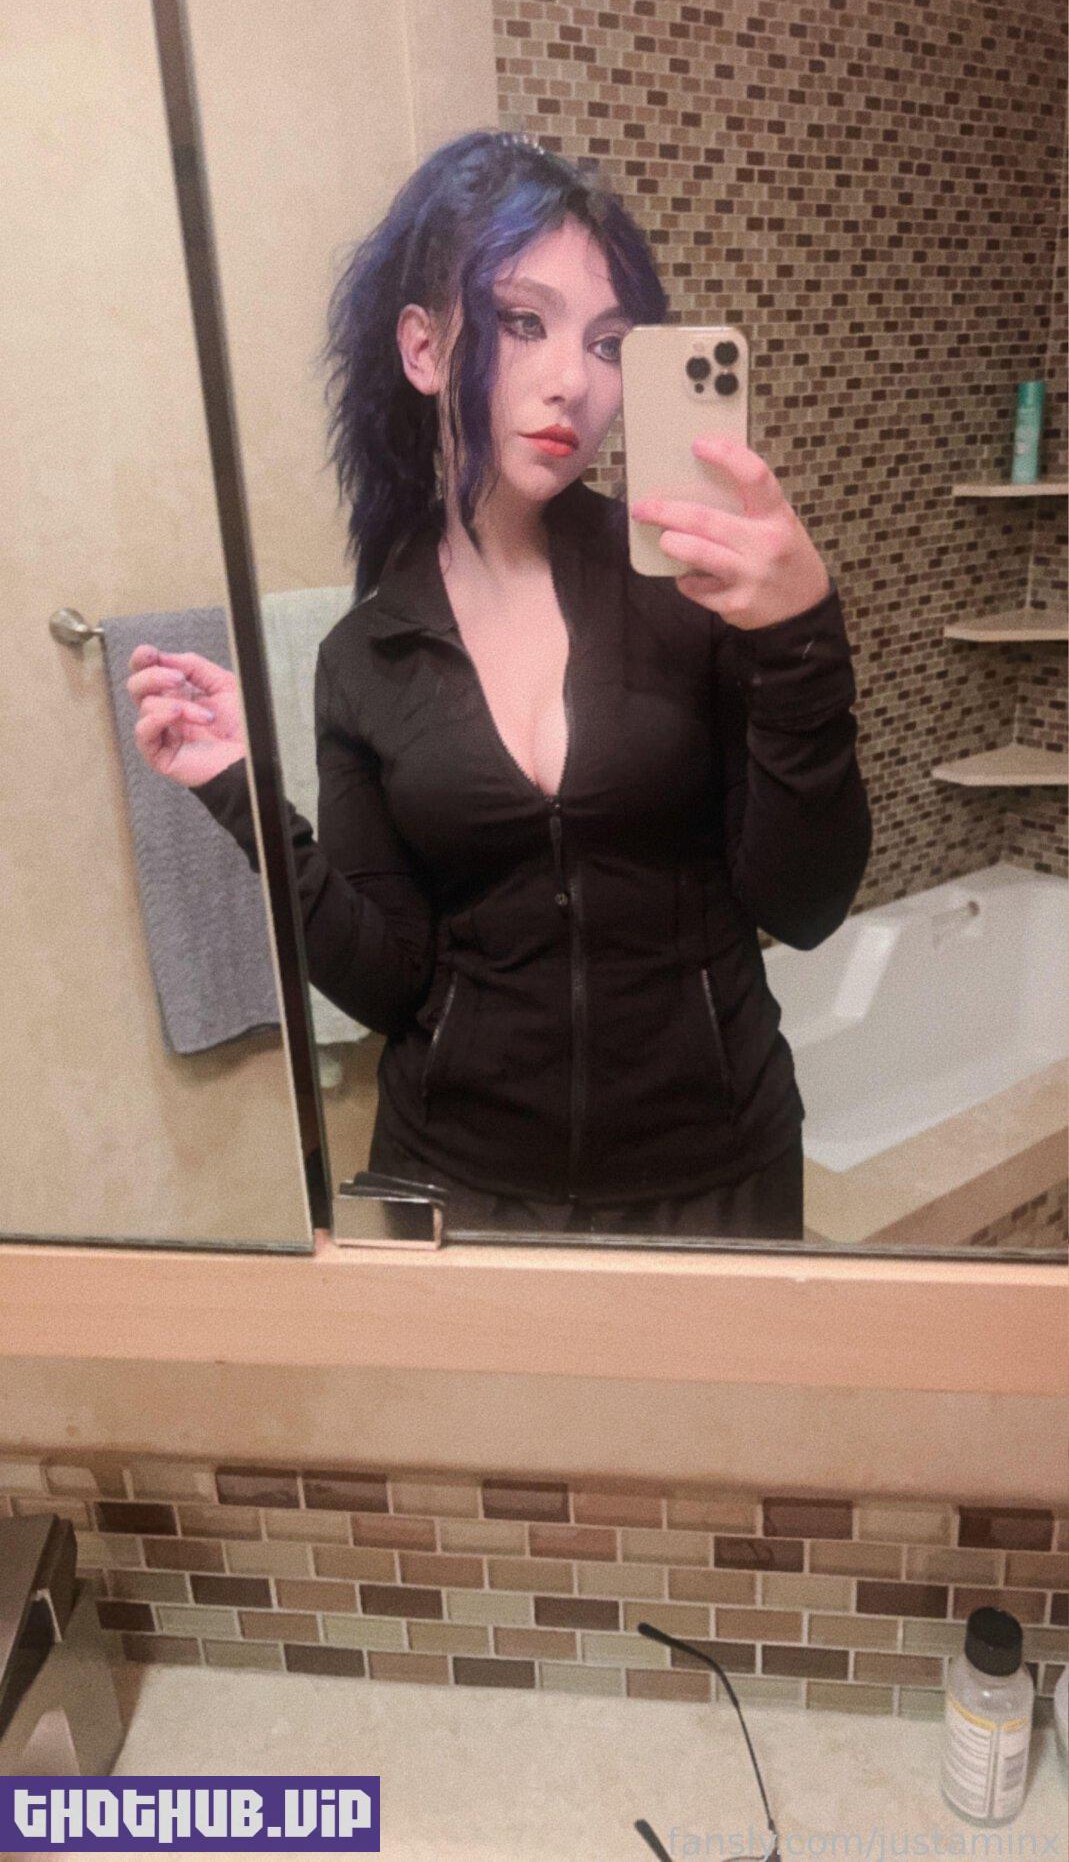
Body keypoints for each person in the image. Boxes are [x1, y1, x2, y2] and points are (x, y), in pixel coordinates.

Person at [128, 128, 872, 1242]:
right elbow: (387, 981)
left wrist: (802, 637)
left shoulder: (696, 595)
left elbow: (804, 907)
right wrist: (240, 790)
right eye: (524, 321)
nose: (574, 380)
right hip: (456, 1183)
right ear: (424, 349)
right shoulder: (366, 654)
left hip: (713, 1170)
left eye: (609, 343)